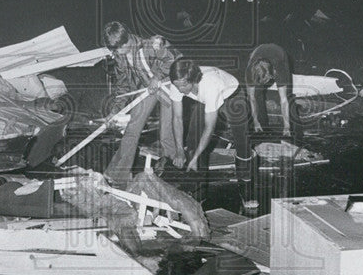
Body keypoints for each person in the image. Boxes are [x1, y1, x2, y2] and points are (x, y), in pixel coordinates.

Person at [102, 22, 184, 185]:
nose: (115, 53)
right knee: (132, 129)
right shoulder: (120, 56)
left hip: (169, 85)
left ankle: (177, 174)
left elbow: (174, 59)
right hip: (148, 89)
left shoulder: (151, 45)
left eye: (117, 49)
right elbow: (123, 86)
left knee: (166, 134)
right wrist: (115, 111)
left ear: (126, 42)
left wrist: (157, 76)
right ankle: (117, 176)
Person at [167, 59, 252, 183]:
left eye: (184, 85)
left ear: (193, 81)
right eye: (177, 86)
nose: (180, 90)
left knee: (241, 140)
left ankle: (245, 179)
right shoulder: (178, 83)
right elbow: (177, 118)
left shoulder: (210, 86)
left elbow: (209, 128)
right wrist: (179, 150)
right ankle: (197, 183)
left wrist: (196, 157)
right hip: (205, 98)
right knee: (193, 138)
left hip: (233, 95)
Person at [245, 43, 294, 138]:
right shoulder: (250, 72)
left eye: (266, 81)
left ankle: (291, 127)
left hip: (279, 53)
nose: (265, 85)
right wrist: (255, 121)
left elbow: (283, 100)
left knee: (287, 95)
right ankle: (263, 126)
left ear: (272, 75)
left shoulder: (280, 70)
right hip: (258, 51)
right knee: (256, 94)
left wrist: (286, 126)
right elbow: (251, 98)